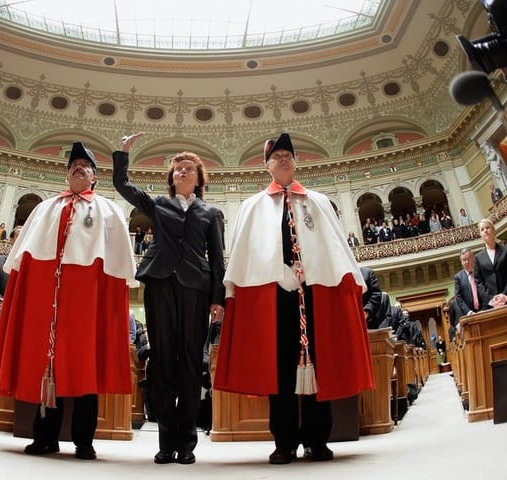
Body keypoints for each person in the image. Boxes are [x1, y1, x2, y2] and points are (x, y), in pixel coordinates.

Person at [214, 133, 373, 464]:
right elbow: (246, 252)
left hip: (316, 291)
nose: (283, 159)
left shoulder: (318, 201)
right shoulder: (252, 205)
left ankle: (318, 439)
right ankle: (284, 442)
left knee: (320, 364)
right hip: (273, 296)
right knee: (280, 369)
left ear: (296, 162)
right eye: (277, 156)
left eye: (288, 154)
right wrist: (277, 271)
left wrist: (311, 271)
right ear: (266, 165)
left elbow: (334, 247)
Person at [0, 141, 137, 461]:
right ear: (67, 175)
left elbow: (118, 266)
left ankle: (84, 441)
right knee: (47, 366)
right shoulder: (45, 208)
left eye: (85, 166)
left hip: (86, 303)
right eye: (73, 166)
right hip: (47, 300)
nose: (78, 168)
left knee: (85, 366)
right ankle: (46, 438)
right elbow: (22, 261)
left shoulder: (109, 210)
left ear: (95, 177)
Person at [113, 132, 226, 465]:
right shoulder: (159, 204)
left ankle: (187, 444)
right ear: (171, 177)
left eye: (189, 167)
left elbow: (217, 258)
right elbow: (124, 186)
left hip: (196, 288)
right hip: (160, 283)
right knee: (162, 361)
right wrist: (123, 152)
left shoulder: (210, 213)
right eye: (178, 168)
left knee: (191, 364)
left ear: (199, 177)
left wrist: (218, 298)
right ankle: (165, 441)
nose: (182, 171)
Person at [474, 218, 507, 309]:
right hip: (490, 305)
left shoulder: (505, 250)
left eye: (487, 227)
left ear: (493, 230)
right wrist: (491, 300)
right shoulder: (478, 258)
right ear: (481, 235)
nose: (485, 231)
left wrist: (505, 295)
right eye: (482, 229)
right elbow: (478, 283)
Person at [454, 247, 482, 317]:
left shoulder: (480, 271)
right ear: (461, 262)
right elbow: (458, 297)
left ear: (473, 258)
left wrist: (484, 309)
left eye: (469, 259)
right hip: (469, 315)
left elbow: (486, 289)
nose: (467, 262)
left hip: (484, 310)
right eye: (464, 260)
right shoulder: (458, 277)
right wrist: (469, 312)